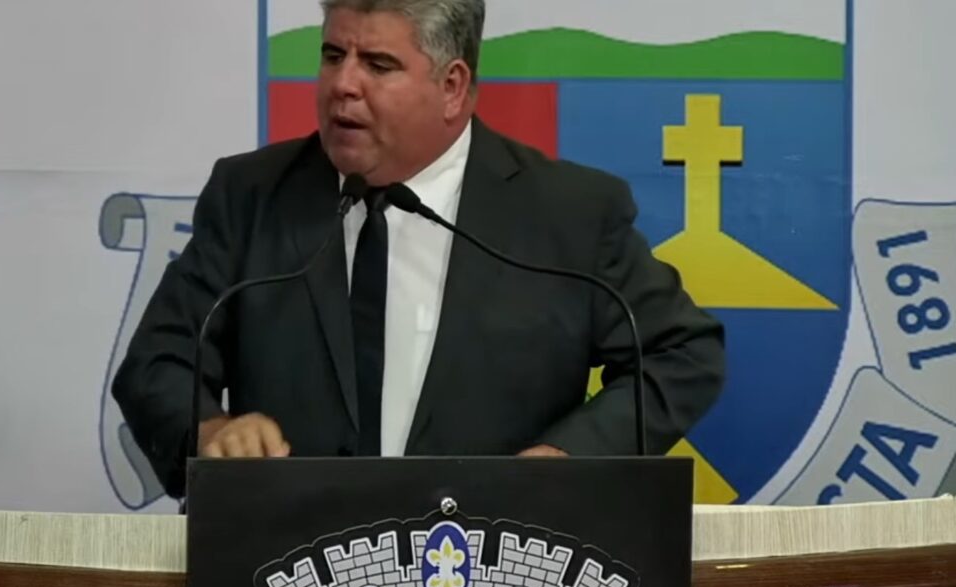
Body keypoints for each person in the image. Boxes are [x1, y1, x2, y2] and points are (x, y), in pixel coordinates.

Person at [112, 0, 725, 497]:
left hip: (492, 560)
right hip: (287, 559)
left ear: (452, 86)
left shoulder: (568, 214)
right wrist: (212, 430)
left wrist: (573, 457)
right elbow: (156, 365)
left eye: (378, 65)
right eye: (333, 55)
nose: (343, 85)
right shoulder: (251, 195)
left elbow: (682, 352)